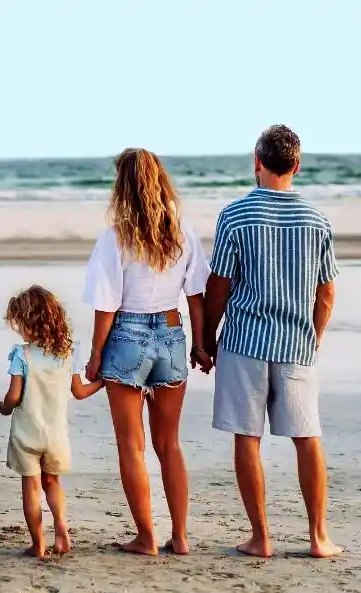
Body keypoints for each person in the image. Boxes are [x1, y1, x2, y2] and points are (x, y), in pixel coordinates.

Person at [202, 125, 343, 559]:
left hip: (244, 341)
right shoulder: (317, 220)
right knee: (307, 437)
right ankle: (318, 537)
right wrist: (314, 337)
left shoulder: (235, 215)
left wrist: (206, 337)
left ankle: (261, 537)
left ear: (257, 162)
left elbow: (219, 285)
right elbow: (326, 291)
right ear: (296, 166)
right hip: (296, 343)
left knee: (247, 438)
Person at [82, 148, 212, 556]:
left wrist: (95, 355)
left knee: (131, 446)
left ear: (122, 187)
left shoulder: (116, 237)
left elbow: (106, 305)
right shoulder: (182, 230)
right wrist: (200, 344)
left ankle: (146, 537)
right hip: (172, 333)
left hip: (127, 334)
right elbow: (196, 295)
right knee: (169, 443)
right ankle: (181, 536)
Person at [0, 285, 104, 559]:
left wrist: (4, 408)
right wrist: (102, 382)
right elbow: (79, 392)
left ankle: (38, 545)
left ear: (29, 322)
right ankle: (61, 527)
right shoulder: (67, 353)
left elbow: (13, 396)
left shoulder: (21, 354)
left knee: (31, 487)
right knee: (52, 483)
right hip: (56, 435)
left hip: (26, 434)